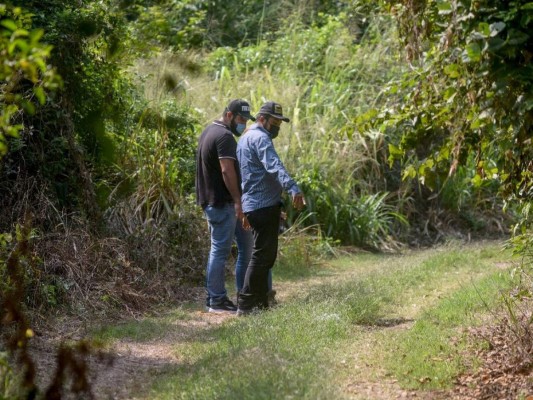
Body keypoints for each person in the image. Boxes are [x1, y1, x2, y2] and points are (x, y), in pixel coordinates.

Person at [236, 101, 305, 314]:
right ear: (261, 119)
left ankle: (259, 303)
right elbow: (273, 165)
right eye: (274, 122)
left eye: (279, 124)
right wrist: (293, 188)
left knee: (264, 256)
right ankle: (247, 304)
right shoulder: (261, 138)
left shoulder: (244, 139)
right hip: (262, 206)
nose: (276, 127)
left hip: (256, 204)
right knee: (262, 257)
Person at [196, 99, 255, 313]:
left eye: (246, 120)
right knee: (220, 251)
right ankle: (217, 300)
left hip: (216, 202)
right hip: (223, 203)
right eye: (240, 119)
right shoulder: (224, 137)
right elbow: (226, 170)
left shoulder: (208, 131)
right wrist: (238, 201)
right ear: (229, 115)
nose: (243, 124)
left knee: (245, 247)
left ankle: (242, 296)